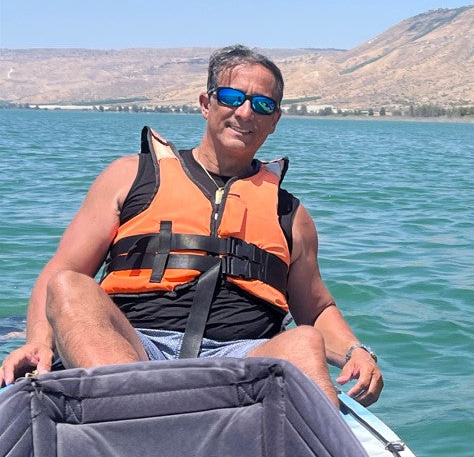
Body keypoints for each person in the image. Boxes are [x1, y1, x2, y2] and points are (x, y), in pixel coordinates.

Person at [0, 44, 382, 407]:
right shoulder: (130, 177)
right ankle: (130, 415)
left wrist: (356, 351)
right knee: (70, 287)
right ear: (206, 103)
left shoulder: (292, 216)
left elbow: (315, 310)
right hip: (132, 346)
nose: (246, 113)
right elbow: (60, 273)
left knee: (304, 341)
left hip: (241, 356)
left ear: (275, 120)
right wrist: (38, 341)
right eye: (232, 97)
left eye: (263, 105)